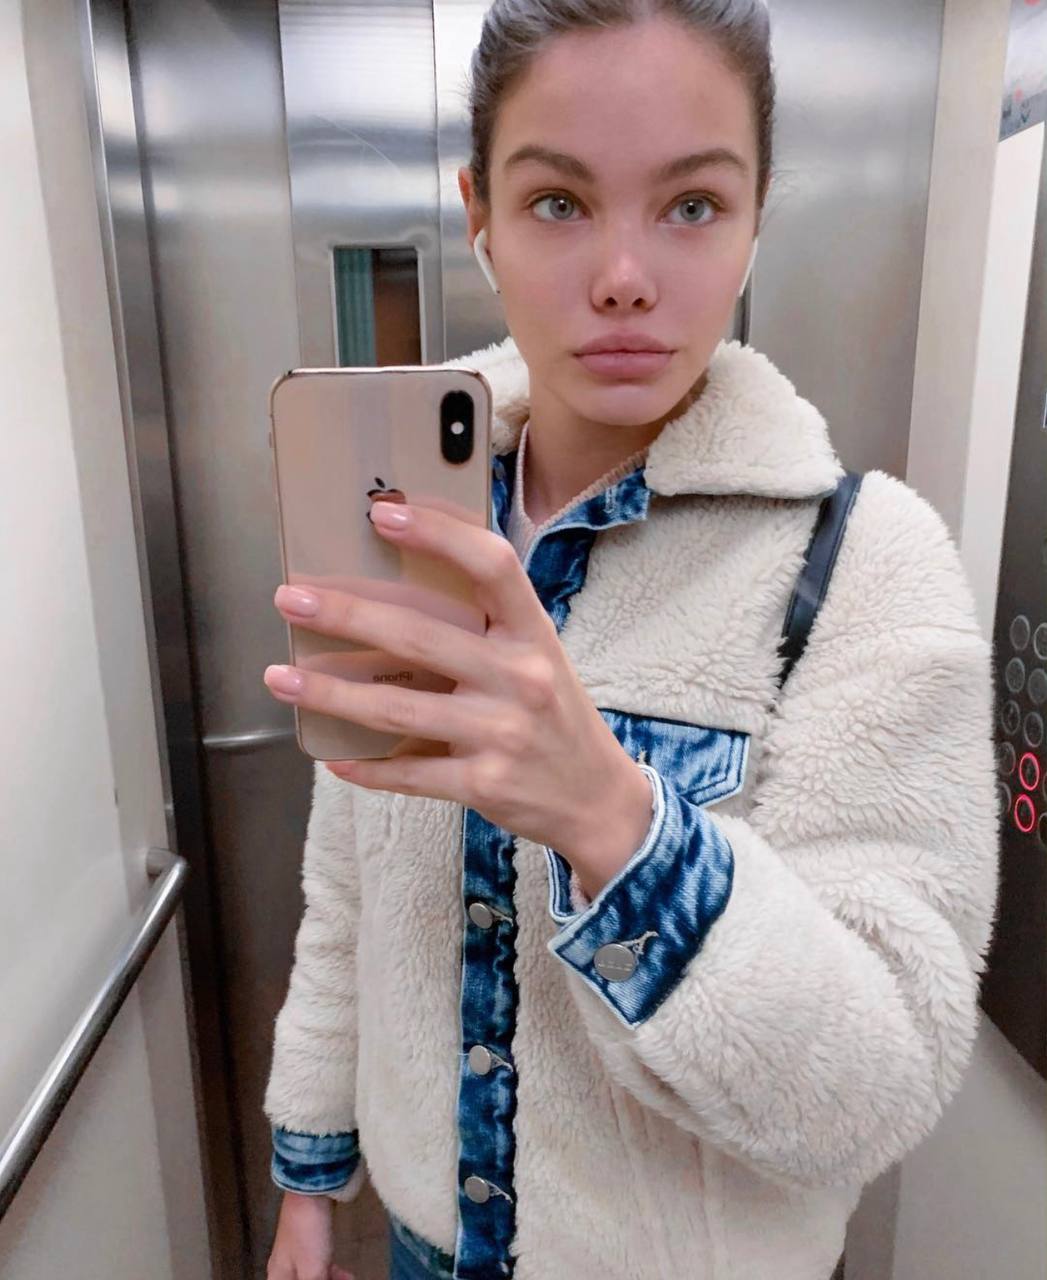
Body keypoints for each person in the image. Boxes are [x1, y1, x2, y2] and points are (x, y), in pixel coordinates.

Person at [262, 2, 1000, 1278]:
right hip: (423, 1250)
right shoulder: (413, 528)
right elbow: (348, 892)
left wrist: (615, 822)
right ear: (480, 215)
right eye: (557, 203)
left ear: (756, 218)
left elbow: (882, 1082)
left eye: (692, 206)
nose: (623, 275)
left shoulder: (865, 565)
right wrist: (310, 1173)